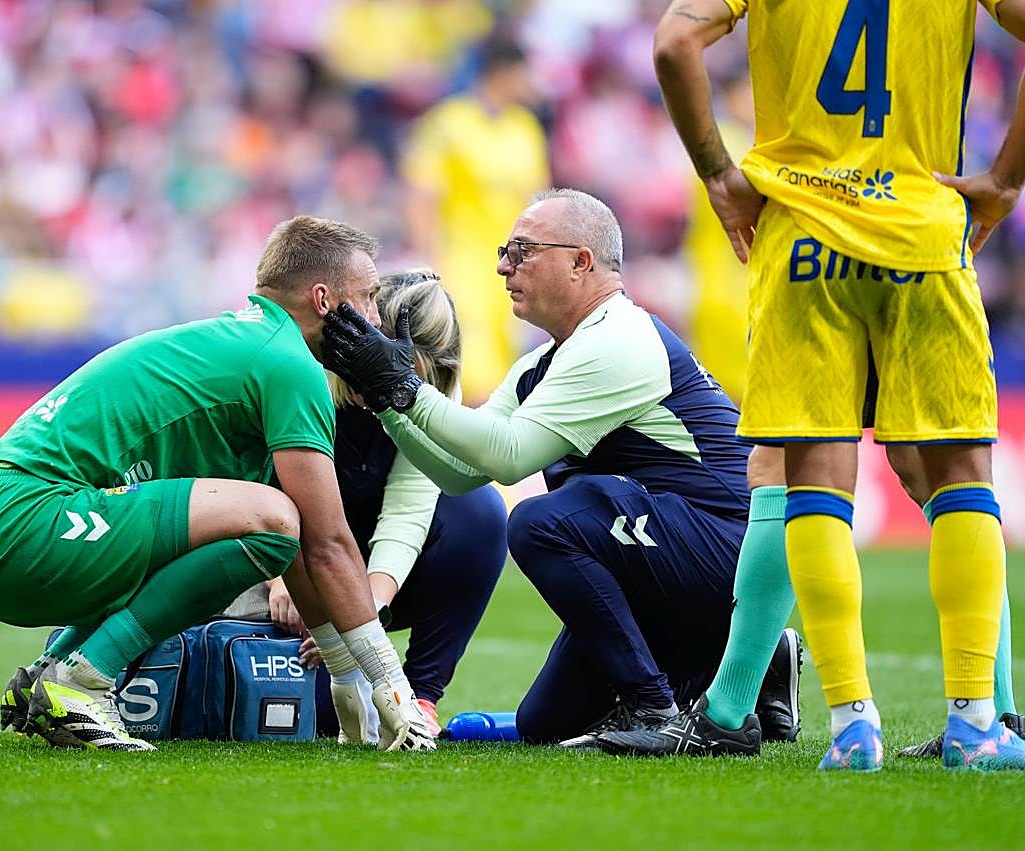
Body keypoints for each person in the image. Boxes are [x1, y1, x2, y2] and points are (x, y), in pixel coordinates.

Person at [635, 0, 1025, 772]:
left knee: (807, 474)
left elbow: (676, 40)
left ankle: (851, 727)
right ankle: (981, 719)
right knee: (957, 475)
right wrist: (1007, 179)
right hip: (922, 234)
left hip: (804, 241)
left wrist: (719, 175)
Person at [0, 215, 436, 752]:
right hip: (22, 523)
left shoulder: (241, 344)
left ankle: (50, 668)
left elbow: (291, 545)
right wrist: (390, 682)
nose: (373, 317)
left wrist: (343, 673)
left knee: (257, 525)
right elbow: (326, 542)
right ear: (324, 300)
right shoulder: (290, 366)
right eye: (366, 298)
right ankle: (83, 681)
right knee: (271, 520)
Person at [321, 188, 796, 744]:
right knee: (544, 723)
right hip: (666, 554)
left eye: (522, 251)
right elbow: (457, 471)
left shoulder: (620, 338)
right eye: (506, 250)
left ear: (580, 262)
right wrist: (387, 400)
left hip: (724, 547)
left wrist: (401, 389)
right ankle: (754, 664)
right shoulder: (544, 360)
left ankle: (656, 709)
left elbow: (507, 455)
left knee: (538, 522)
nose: (503, 266)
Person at [228, 269, 508, 738]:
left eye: (413, 382)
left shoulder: (433, 393)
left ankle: (417, 694)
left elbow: (407, 512)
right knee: (305, 716)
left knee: (478, 509)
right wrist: (284, 577)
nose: (394, 391)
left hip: (363, 562)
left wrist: (368, 614)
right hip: (284, 551)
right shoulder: (304, 372)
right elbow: (257, 482)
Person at [402, 34, 550, 402]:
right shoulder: (449, 122)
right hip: (462, 265)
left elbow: (538, 203)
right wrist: (430, 263)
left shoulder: (525, 129)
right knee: (473, 377)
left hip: (510, 270)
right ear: (502, 72)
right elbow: (421, 195)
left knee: (504, 375)